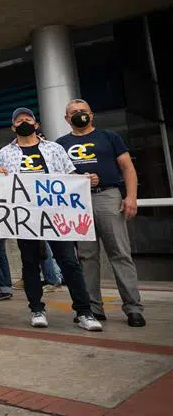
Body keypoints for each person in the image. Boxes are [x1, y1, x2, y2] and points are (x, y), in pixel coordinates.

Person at [0, 107, 103, 332]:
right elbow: (0, 184)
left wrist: (84, 180)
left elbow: (69, 175)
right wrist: (0, 176)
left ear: (36, 124)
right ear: (12, 127)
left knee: (69, 262)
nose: (24, 122)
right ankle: (37, 309)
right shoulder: (5, 152)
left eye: (28, 119)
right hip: (26, 216)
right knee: (30, 263)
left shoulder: (54, 148)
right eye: (19, 120)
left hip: (56, 215)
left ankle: (84, 311)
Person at [56, 99, 145, 327]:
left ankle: (133, 308)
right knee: (86, 256)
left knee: (120, 253)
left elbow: (127, 167)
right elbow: (57, 176)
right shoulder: (60, 145)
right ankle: (93, 308)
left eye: (83, 111)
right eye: (74, 112)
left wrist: (131, 196)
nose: (79, 115)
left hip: (108, 196)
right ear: (66, 119)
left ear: (91, 114)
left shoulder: (109, 137)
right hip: (77, 203)